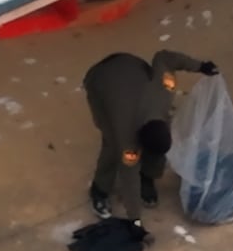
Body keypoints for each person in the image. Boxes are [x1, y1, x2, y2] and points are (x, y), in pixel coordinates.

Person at [82, 49, 219, 233]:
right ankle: (99, 191)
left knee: (156, 152)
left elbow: (164, 58)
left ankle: (147, 177)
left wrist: (201, 66)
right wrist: (135, 222)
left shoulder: (164, 89)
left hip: (131, 64)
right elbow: (129, 181)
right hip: (102, 81)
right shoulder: (126, 138)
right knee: (111, 145)